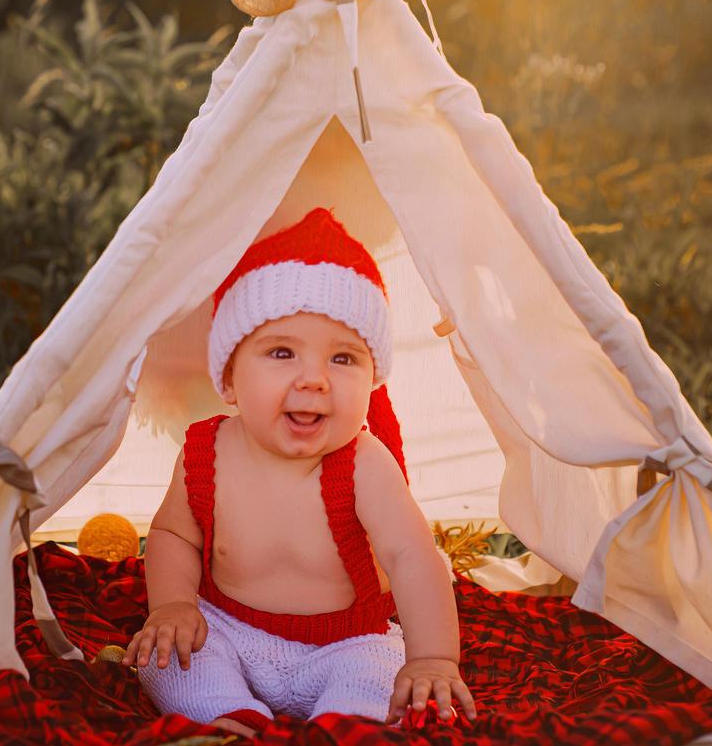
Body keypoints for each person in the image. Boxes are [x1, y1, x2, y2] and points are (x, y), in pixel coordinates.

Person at [121, 207, 478, 737]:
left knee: (382, 676)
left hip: (344, 646)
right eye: (282, 352)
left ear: (372, 379)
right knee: (166, 657)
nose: (313, 379)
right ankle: (229, 717)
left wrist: (433, 659)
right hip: (228, 629)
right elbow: (174, 533)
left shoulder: (363, 462)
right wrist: (173, 606)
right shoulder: (206, 451)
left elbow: (412, 556)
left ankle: (340, 727)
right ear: (229, 379)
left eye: (343, 359)